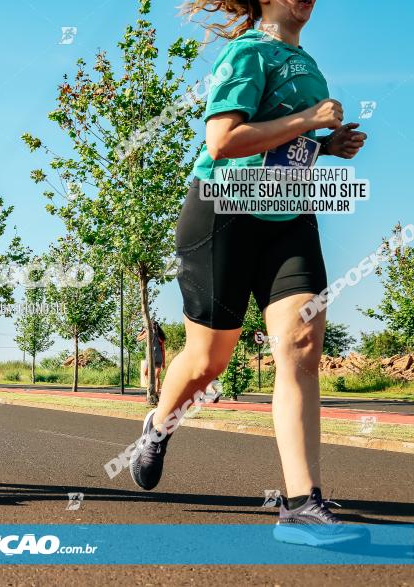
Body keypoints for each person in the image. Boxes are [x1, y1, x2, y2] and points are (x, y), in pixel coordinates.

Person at [128, 0, 369, 546]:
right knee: (208, 362)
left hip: (289, 214)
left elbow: (283, 143)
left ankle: (303, 505)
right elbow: (225, 140)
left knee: (303, 343)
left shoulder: (307, 62)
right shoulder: (247, 52)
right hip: (224, 211)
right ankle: (159, 423)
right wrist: (310, 120)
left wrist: (327, 146)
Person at [137, 322, 166, 394]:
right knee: (157, 377)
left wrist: (143, 331)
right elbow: (163, 350)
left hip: (150, 357)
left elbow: (137, 339)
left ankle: (149, 388)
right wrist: (164, 362)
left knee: (145, 373)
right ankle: (156, 392)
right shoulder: (160, 336)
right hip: (159, 357)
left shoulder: (148, 334)